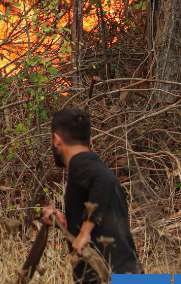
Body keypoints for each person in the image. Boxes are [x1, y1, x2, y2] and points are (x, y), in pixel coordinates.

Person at [41, 107, 142, 283]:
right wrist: (61, 218)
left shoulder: (81, 163)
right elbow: (98, 200)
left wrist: (85, 231)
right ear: (90, 140)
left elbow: (104, 181)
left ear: (57, 139)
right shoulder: (90, 165)